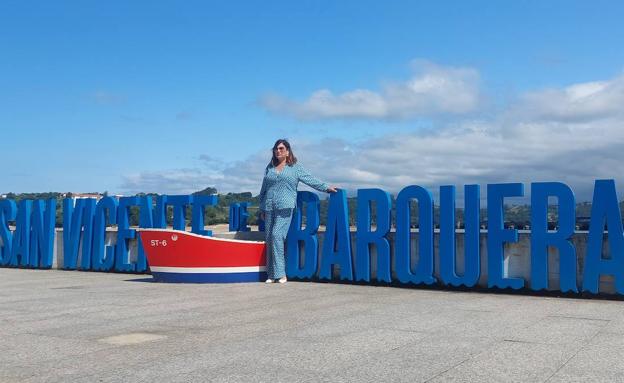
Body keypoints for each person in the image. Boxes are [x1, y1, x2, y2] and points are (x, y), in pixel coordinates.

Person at [258, 139, 337, 284]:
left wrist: (326, 187)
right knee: (270, 239)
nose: (278, 151)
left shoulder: (295, 167)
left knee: (276, 236)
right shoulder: (269, 167)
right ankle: (271, 274)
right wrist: (261, 207)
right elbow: (264, 189)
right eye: (276, 149)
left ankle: (281, 274)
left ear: (288, 151)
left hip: (285, 206)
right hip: (269, 207)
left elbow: (310, 179)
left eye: (281, 149)